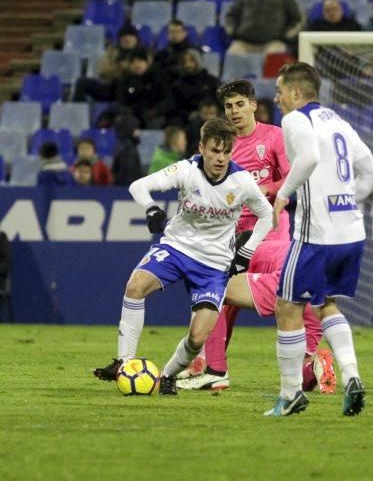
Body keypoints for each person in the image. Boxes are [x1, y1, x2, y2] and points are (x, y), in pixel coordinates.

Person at [93, 117, 273, 396]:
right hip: (177, 248)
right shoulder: (186, 170)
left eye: (226, 152)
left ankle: (166, 375)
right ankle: (124, 363)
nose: (220, 158)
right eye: (214, 151)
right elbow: (138, 186)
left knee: (197, 338)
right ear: (202, 147)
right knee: (135, 286)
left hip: (214, 266)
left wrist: (246, 251)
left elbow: (267, 215)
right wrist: (151, 208)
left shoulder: (242, 182)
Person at [179, 78, 335, 393]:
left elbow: (295, 176)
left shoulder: (275, 138)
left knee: (228, 288)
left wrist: (269, 188)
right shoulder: (222, 146)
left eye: (240, 104)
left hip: (270, 235)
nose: (234, 111)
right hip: (231, 238)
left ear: (253, 105)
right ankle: (213, 365)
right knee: (218, 295)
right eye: (228, 107)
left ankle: (215, 367)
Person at [267, 62, 373, 416]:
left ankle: (290, 395)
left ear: (297, 93)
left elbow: (310, 158)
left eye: (280, 91)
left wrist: (284, 194)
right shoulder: (339, 121)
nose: (277, 98)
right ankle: (351, 375)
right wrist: (344, 203)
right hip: (350, 232)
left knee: (287, 308)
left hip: (315, 236)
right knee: (326, 303)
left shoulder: (295, 119)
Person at [177, 237, 335, 392]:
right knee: (299, 376)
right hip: (319, 287)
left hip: (289, 276)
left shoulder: (239, 257)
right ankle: (316, 365)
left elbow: (223, 313)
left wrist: (209, 359)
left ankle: (215, 372)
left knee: (212, 292)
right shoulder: (271, 245)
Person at [224, 0, 303, 56]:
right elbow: (231, 16)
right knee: (233, 53)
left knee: (275, 55)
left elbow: (296, 19)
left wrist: (285, 36)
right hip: (244, 42)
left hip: (274, 43)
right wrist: (233, 31)